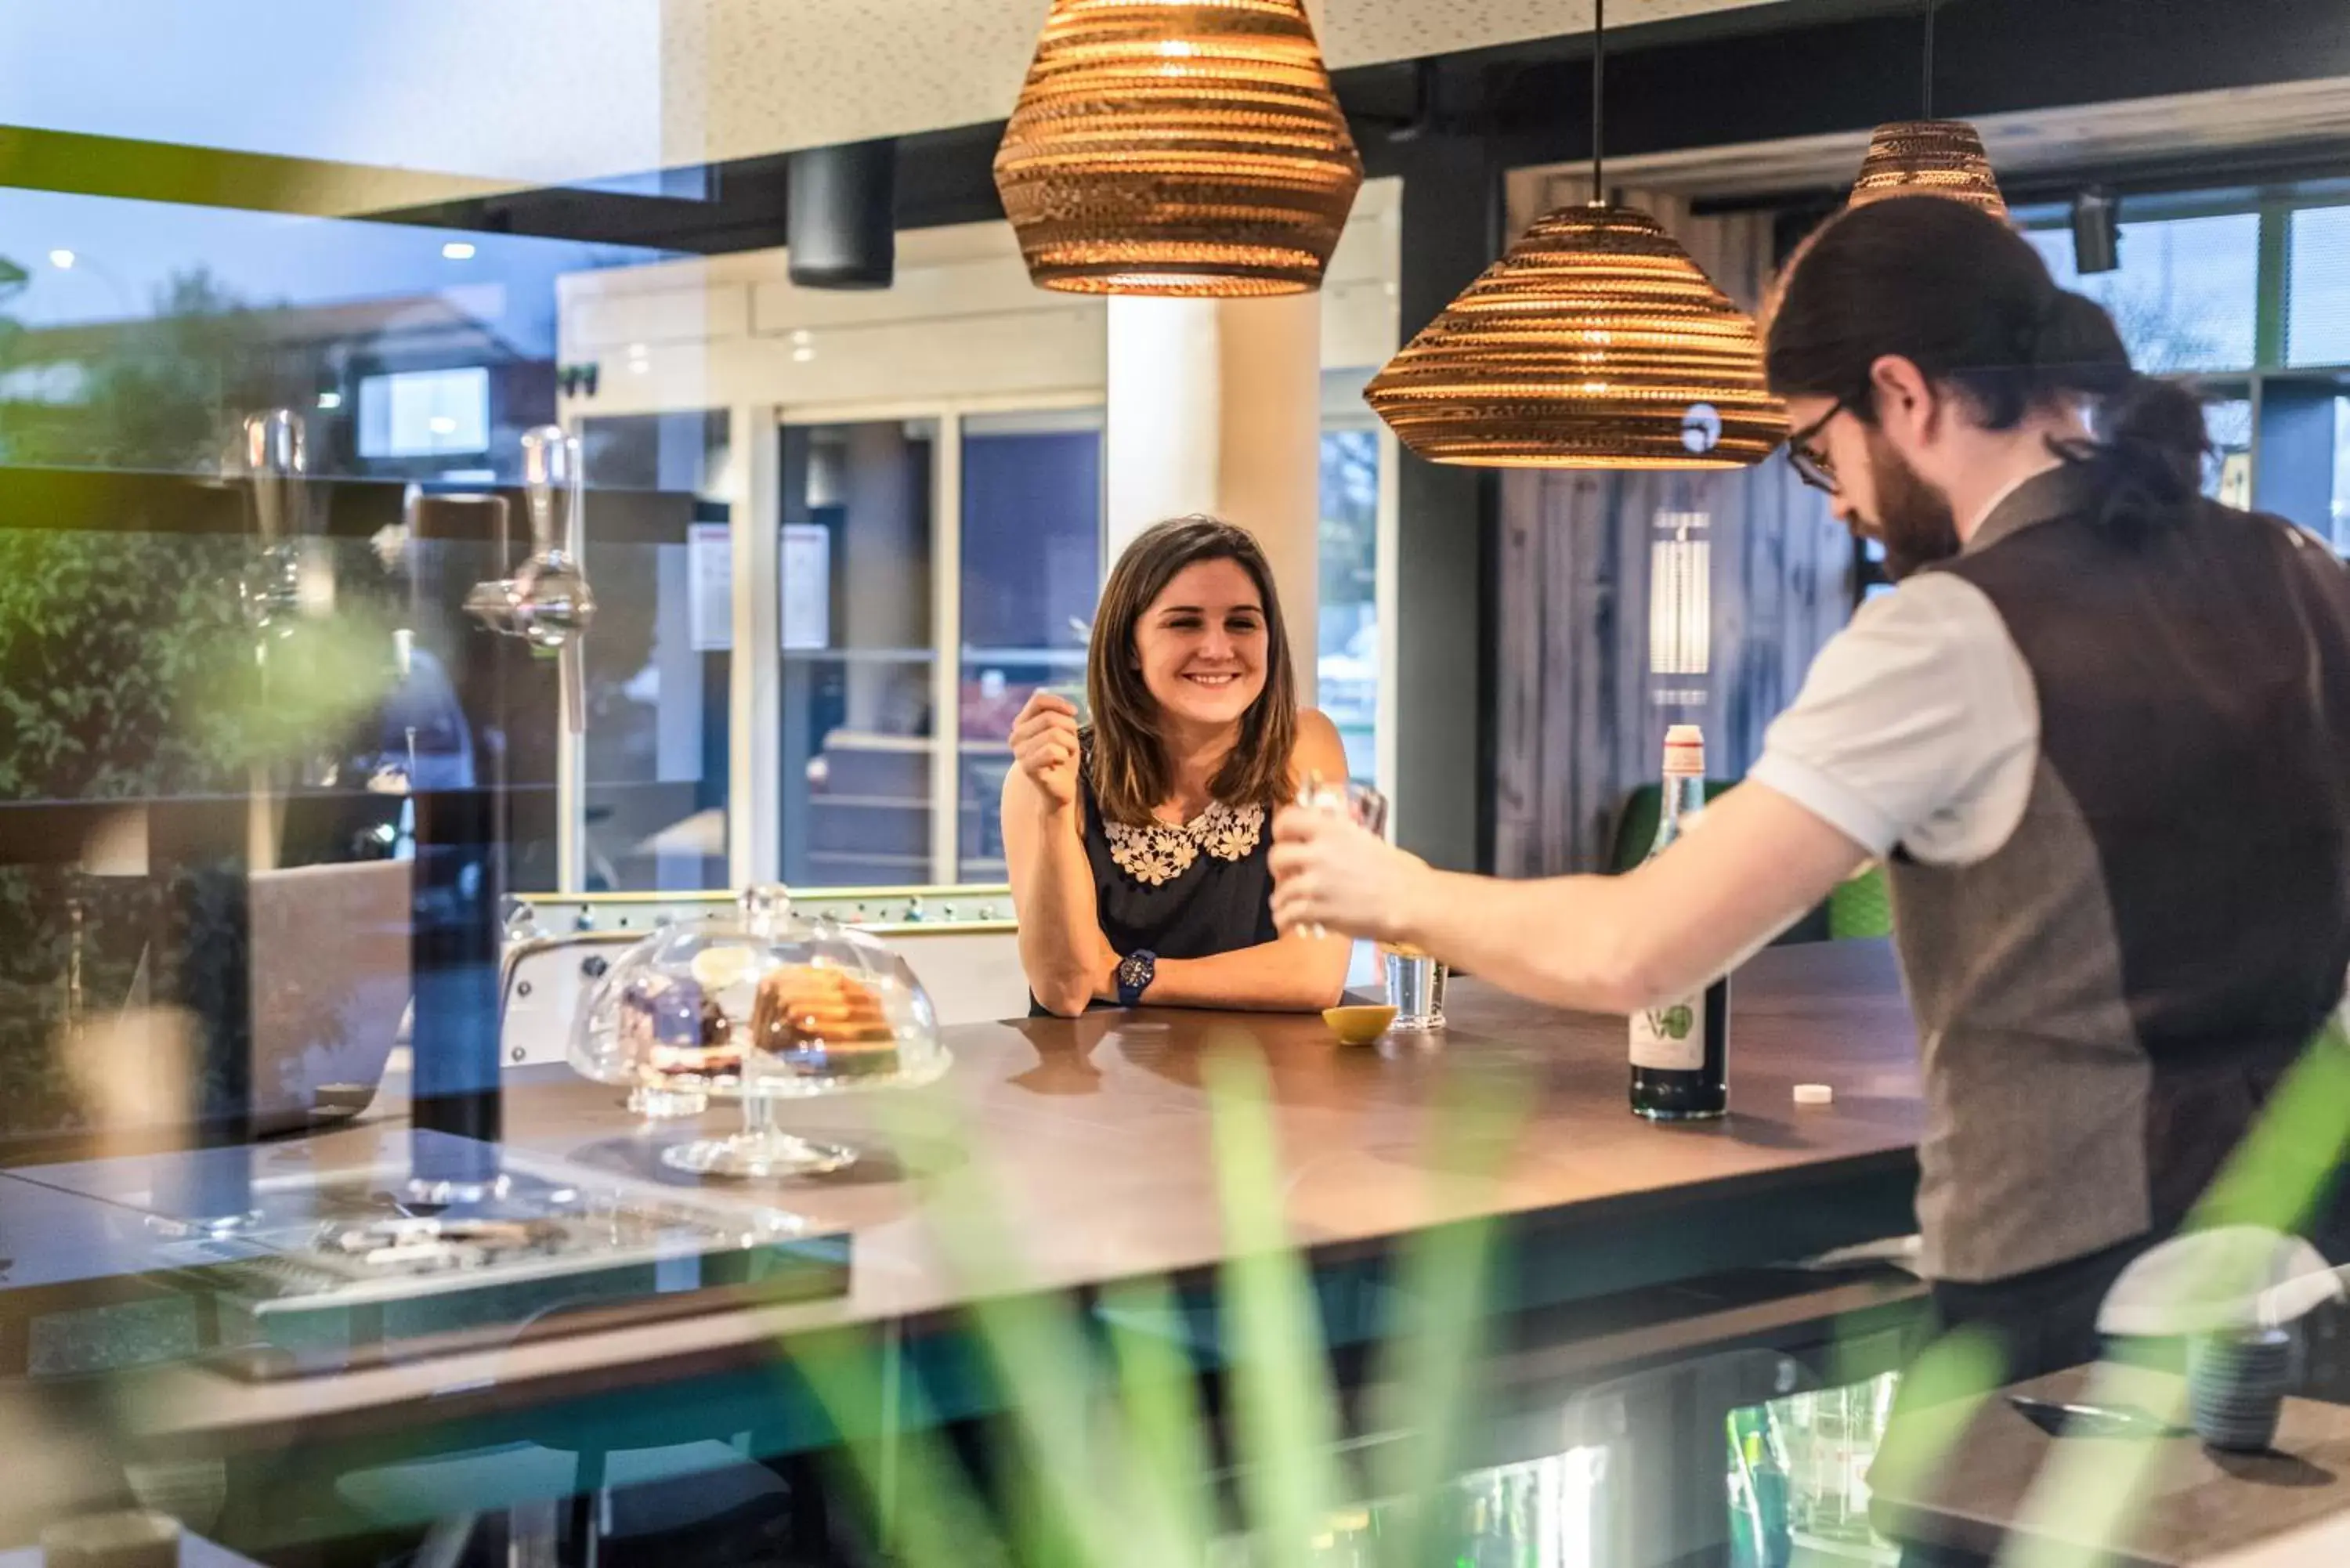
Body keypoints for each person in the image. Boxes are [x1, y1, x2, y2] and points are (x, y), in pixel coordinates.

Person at [1270, 194, 2350, 1382]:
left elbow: (1638, 950)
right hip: (2312, 1287)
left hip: (2074, 1319)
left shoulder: (1951, 632)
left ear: (1903, 391)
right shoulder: (2299, 572)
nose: (1836, 498)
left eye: (1819, 449)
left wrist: (1397, 888)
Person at [1006, 515, 1354, 1017]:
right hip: (1099, 1087)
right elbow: (1064, 990)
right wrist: (1058, 811)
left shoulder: (1306, 744)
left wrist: (1124, 974)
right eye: (1184, 622)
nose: (1217, 649)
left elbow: (1314, 975)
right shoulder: (1043, 779)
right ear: (1129, 647)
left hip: (1261, 1086)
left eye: (1242, 622)